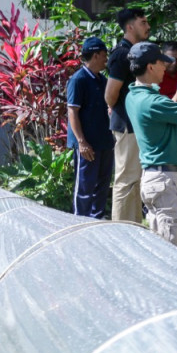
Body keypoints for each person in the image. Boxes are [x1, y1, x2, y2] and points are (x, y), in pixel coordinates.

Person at [124, 42, 177, 250]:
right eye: (162, 63)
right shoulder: (152, 102)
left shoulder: (134, 96)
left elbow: (170, 114)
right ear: (151, 66)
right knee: (175, 253)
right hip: (168, 182)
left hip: (154, 179)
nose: (166, 68)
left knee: (163, 249)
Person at [104, 7, 150, 224]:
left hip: (136, 125)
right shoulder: (121, 54)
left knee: (136, 179)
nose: (148, 26)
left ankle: (134, 227)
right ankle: (121, 231)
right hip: (126, 125)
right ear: (130, 27)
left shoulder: (135, 51)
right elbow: (110, 95)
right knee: (126, 179)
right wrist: (115, 108)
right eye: (143, 22)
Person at [66, 37, 114, 219]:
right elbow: (72, 112)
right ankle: (79, 222)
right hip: (87, 145)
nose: (106, 59)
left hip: (104, 142)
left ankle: (97, 220)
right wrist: (81, 141)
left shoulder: (103, 80)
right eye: (103, 55)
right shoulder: (78, 80)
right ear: (95, 55)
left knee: (102, 185)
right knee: (85, 186)